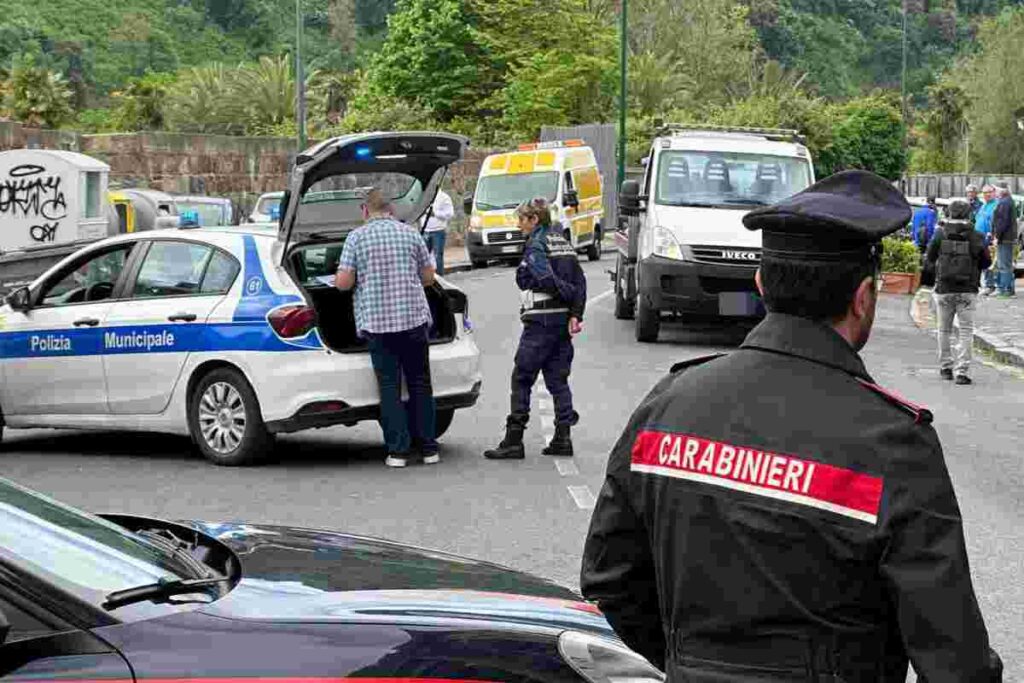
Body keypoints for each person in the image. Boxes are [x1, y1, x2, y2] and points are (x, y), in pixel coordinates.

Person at [580, 170, 1002, 682]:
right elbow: (955, 661)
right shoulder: (893, 444)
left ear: (760, 284)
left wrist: (688, 661)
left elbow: (609, 581)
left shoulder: (668, 405)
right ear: (864, 297)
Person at [335, 188, 439, 468]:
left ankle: (398, 452)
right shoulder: (410, 233)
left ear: (365, 211)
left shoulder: (356, 238)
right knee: (420, 383)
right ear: (391, 210)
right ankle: (429, 449)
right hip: (413, 321)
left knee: (390, 387)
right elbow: (428, 278)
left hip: (378, 325)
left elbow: (343, 283)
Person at [483, 197, 586, 460]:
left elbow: (543, 277)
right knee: (557, 379)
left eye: (521, 219)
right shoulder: (562, 241)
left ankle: (513, 440)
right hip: (560, 321)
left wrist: (565, 293)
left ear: (534, 220)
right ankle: (563, 437)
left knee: (522, 377)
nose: (519, 226)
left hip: (540, 321)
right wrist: (575, 311)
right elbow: (580, 280)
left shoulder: (537, 244)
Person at [926, 199, 992, 385]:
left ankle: (946, 367)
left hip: (944, 288)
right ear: (968, 214)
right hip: (968, 290)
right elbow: (986, 263)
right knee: (965, 331)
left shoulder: (940, 233)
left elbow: (930, 258)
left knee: (944, 329)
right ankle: (962, 372)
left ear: (950, 213)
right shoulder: (976, 236)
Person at [991, 185, 1017, 297]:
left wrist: (997, 236)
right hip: (1008, 237)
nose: (995, 192)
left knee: (1004, 265)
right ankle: (1008, 289)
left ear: (1002, 190)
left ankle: (1005, 290)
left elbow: (1002, 222)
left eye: (995, 189)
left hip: (1005, 238)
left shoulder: (1004, 203)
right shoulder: (1008, 201)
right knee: (1006, 264)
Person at [422, 187, 454, 275]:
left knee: (438, 256)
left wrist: (436, 214)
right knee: (423, 256)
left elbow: (450, 214)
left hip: (438, 231)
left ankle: (440, 276)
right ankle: (425, 276)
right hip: (425, 230)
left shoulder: (444, 197)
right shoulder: (424, 197)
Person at [975, 184, 999, 294]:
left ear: (994, 192)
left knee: (990, 262)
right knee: (983, 262)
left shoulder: (996, 205)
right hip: (979, 238)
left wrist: (993, 236)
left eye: (989, 192)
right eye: (985, 193)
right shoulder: (984, 206)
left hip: (989, 238)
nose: (987, 194)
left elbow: (998, 223)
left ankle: (991, 286)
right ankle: (985, 284)